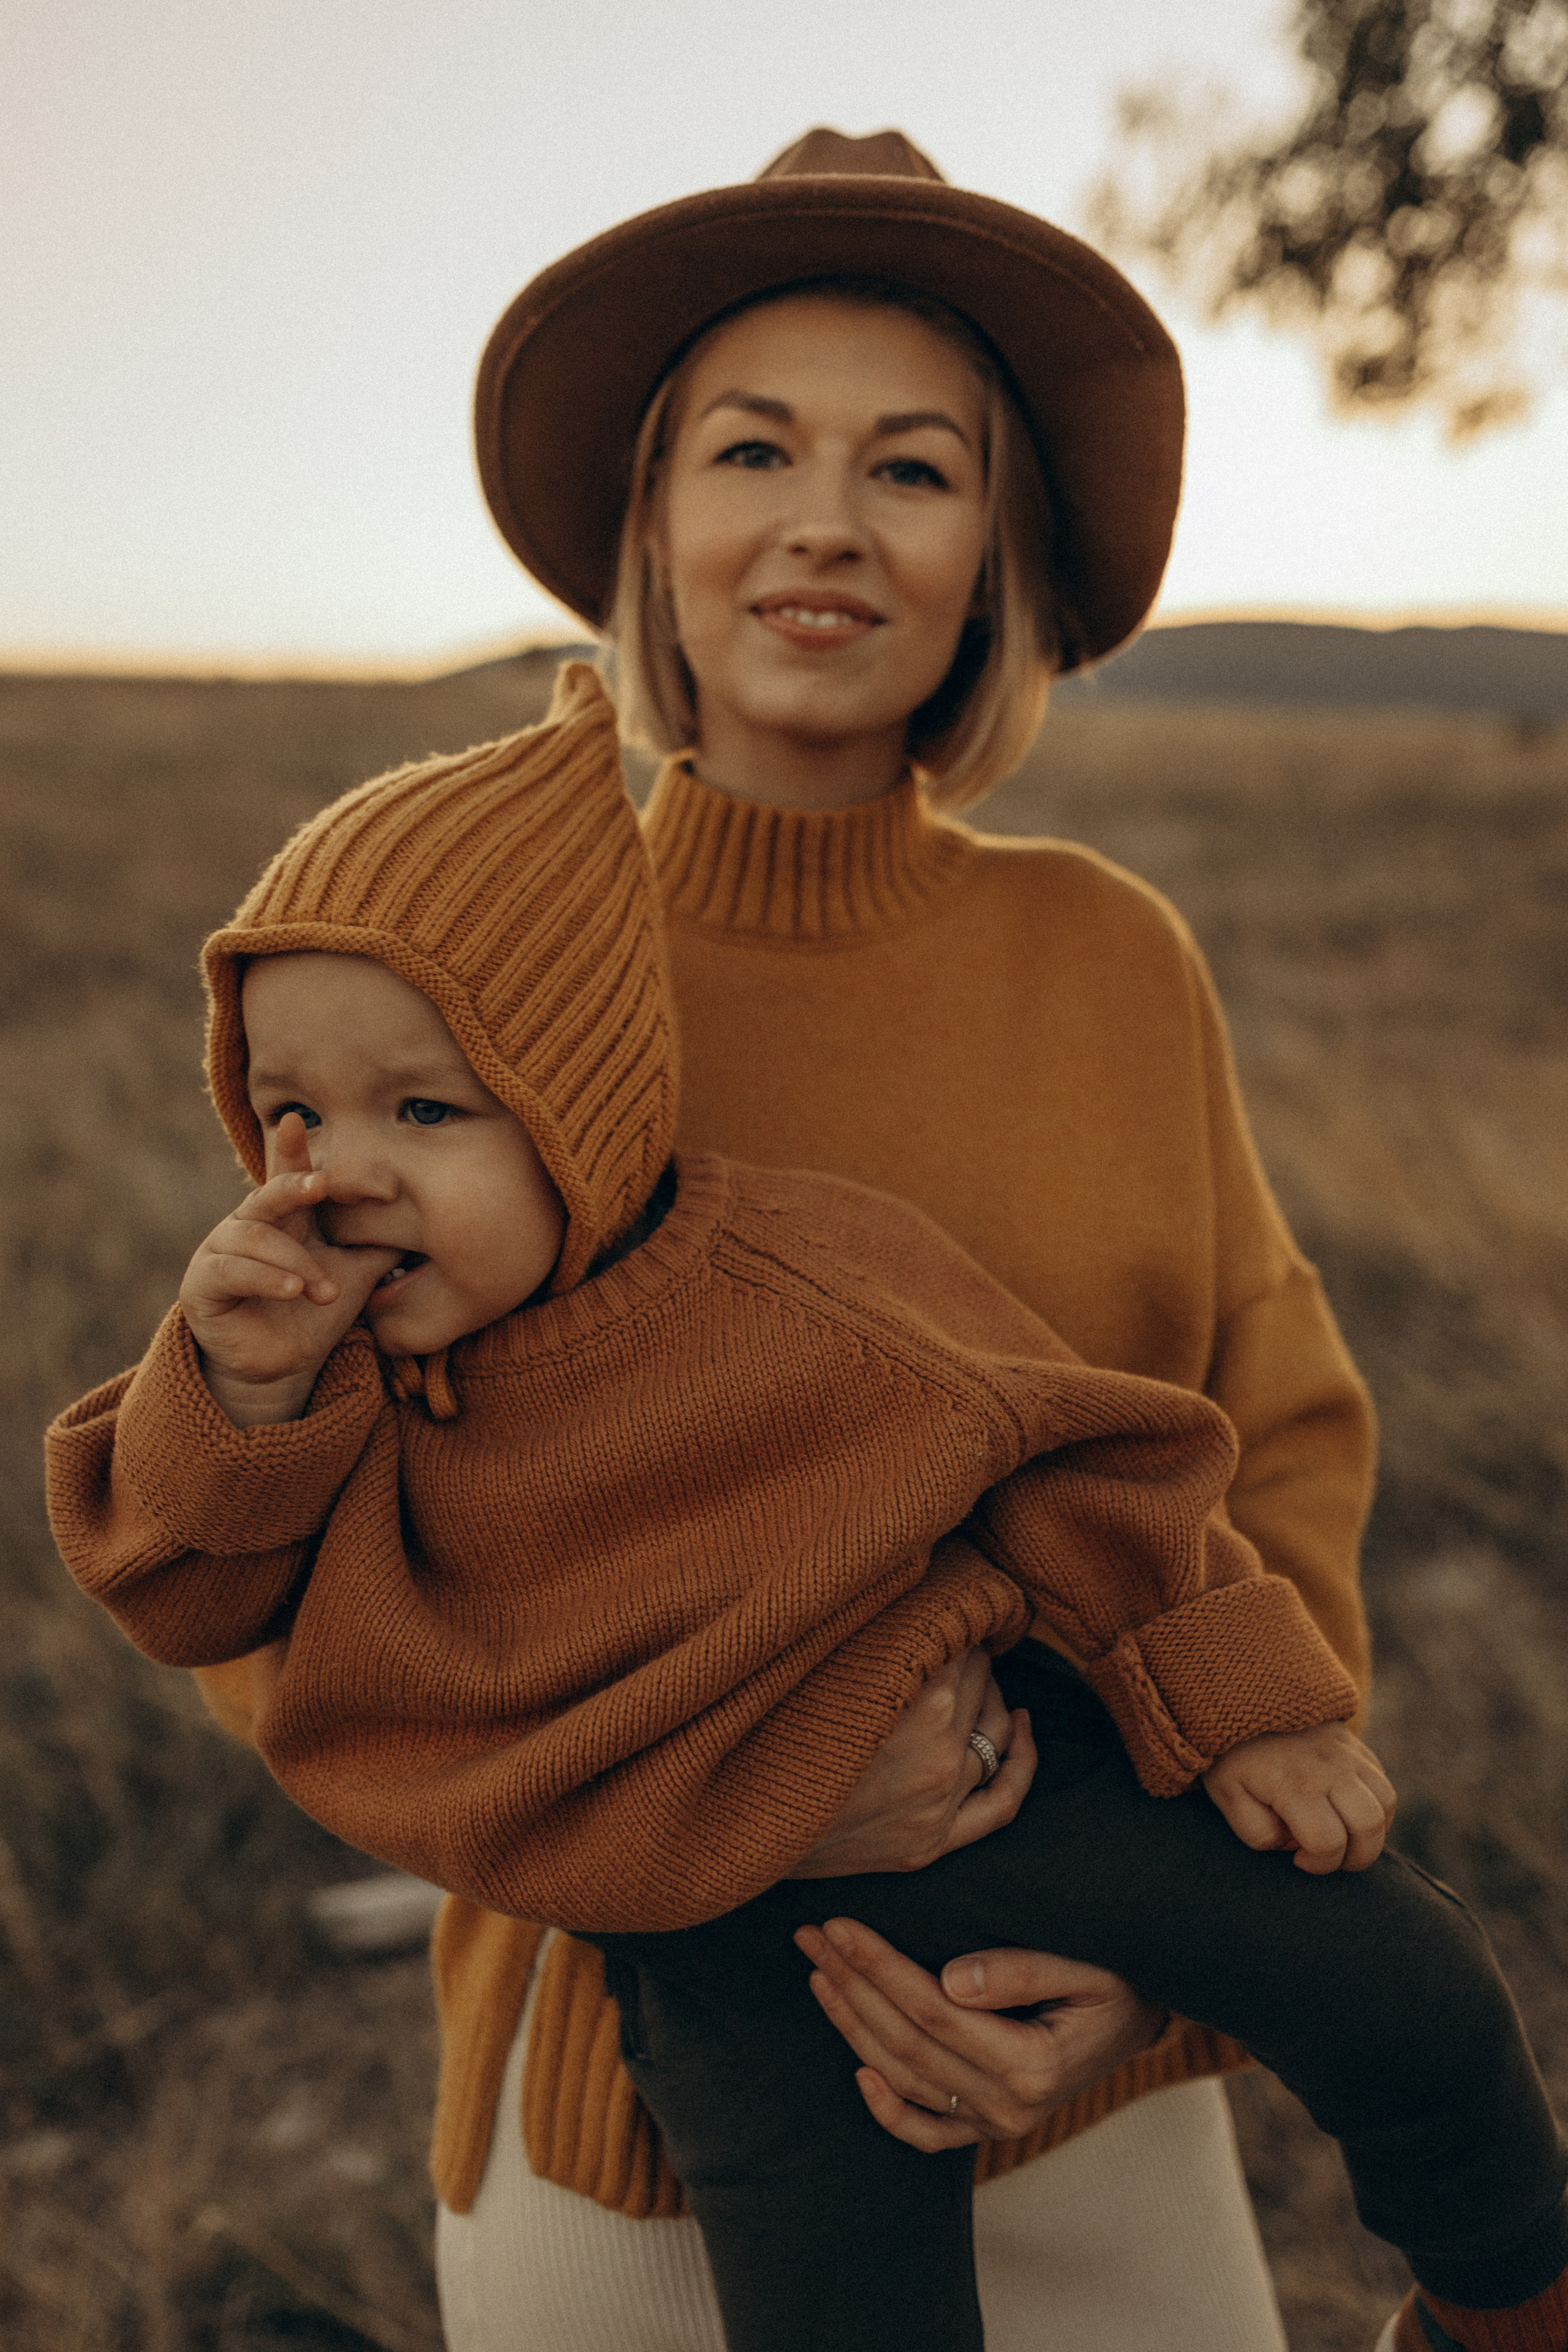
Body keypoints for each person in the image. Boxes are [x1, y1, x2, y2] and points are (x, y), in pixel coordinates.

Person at [47, 668, 1568, 2352]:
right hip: (706, 1945)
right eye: (288, 1116)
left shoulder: (792, 1277)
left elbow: (1072, 1458)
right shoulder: (334, 1379)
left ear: (581, 1109)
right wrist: (238, 1397)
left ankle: (1503, 2303)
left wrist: (1239, 1706)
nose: (342, 1176)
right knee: (838, 2295)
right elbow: (198, 1601)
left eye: (425, 1112)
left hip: (1014, 1783)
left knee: (1398, 1976)